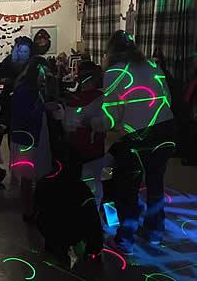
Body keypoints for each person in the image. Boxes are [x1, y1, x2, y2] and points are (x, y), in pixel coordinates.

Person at [89, 30, 175, 255]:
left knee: (128, 186)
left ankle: (125, 241)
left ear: (110, 51)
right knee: (156, 183)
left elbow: (111, 117)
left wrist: (89, 120)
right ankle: (155, 233)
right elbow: (167, 97)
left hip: (138, 136)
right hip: (166, 130)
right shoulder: (153, 66)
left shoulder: (114, 73)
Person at [35, 149, 103, 264]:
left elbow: (37, 206)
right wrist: (95, 248)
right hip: (72, 232)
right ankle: (87, 249)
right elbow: (93, 220)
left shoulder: (44, 182)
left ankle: (53, 243)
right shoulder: (81, 188)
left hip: (46, 227)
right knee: (89, 215)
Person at [10, 56, 52, 221]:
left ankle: (31, 208)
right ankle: (28, 211)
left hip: (30, 135)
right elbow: (25, 114)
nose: (44, 77)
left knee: (30, 174)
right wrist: (44, 108)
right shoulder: (26, 90)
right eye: (43, 73)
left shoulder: (28, 87)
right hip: (26, 137)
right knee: (27, 176)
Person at [61, 61, 106, 211]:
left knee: (85, 181)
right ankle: (91, 213)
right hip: (88, 148)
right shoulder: (100, 97)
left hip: (83, 147)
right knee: (92, 181)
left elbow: (68, 126)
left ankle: (86, 213)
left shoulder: (76, 99)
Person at [0, 36, 33, 146]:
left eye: (25, 51)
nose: (22, 53)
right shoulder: (9, 60)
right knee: (3, 127)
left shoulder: (32, 62)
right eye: (20, 50)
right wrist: (3, 80)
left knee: (18, 129)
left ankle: (17, 155)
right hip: (9, 98)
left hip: (25, 99)